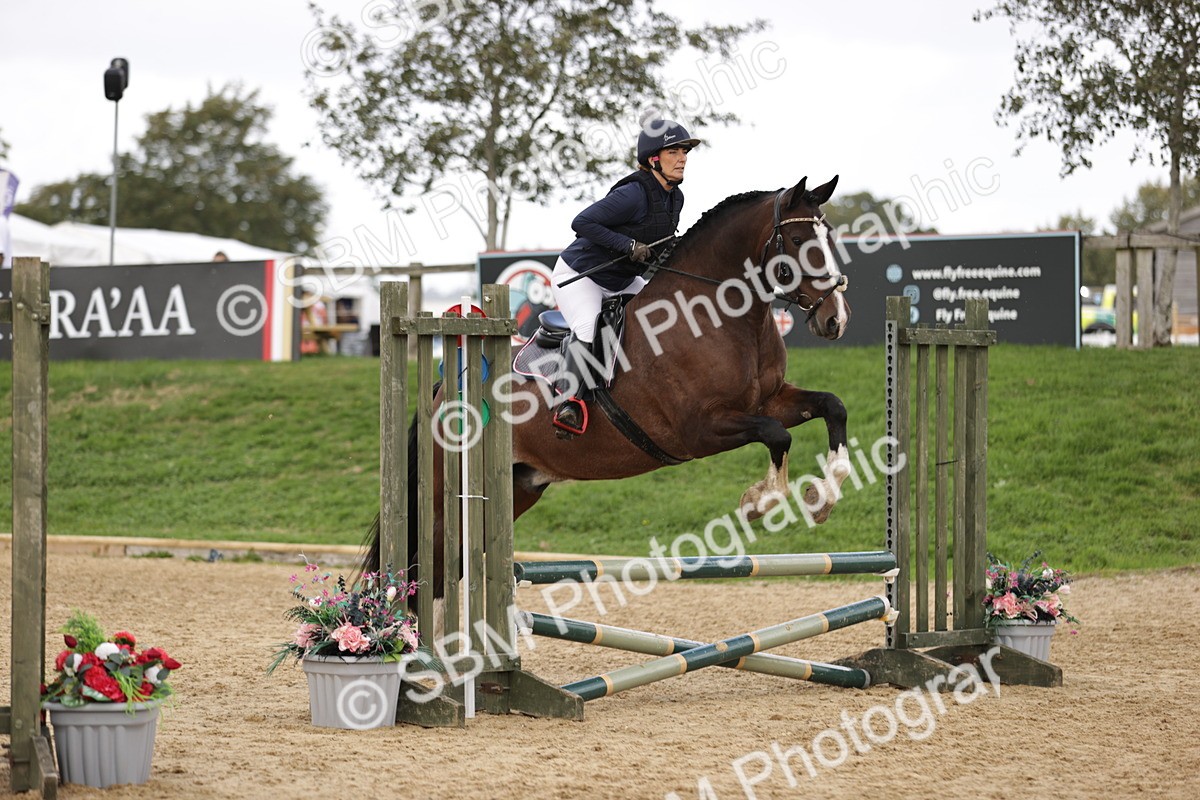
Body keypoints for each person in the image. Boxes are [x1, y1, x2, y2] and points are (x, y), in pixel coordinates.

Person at [550, 119, 702, 434]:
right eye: (674, 151)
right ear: (653, 159)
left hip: (620, 280)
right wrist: (628, 245)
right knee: (588, 325)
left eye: (684, 151)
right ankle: (568, 403)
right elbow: (581, 222)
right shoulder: (633, 194)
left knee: (662, 313)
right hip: (581, 276)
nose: (683, 157)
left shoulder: (676, 198)